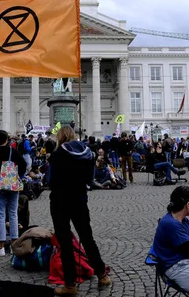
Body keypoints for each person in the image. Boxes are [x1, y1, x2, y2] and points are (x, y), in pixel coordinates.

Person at [48, 126, 111, 296]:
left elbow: (50, 181)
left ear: (60, 137)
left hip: (60, 202)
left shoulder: (57, 155)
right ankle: (102, 274)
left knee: (65, 242)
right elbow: (90, 180)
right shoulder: (88, 154)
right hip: (80, 200)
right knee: (87, 238)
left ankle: (70, 285)